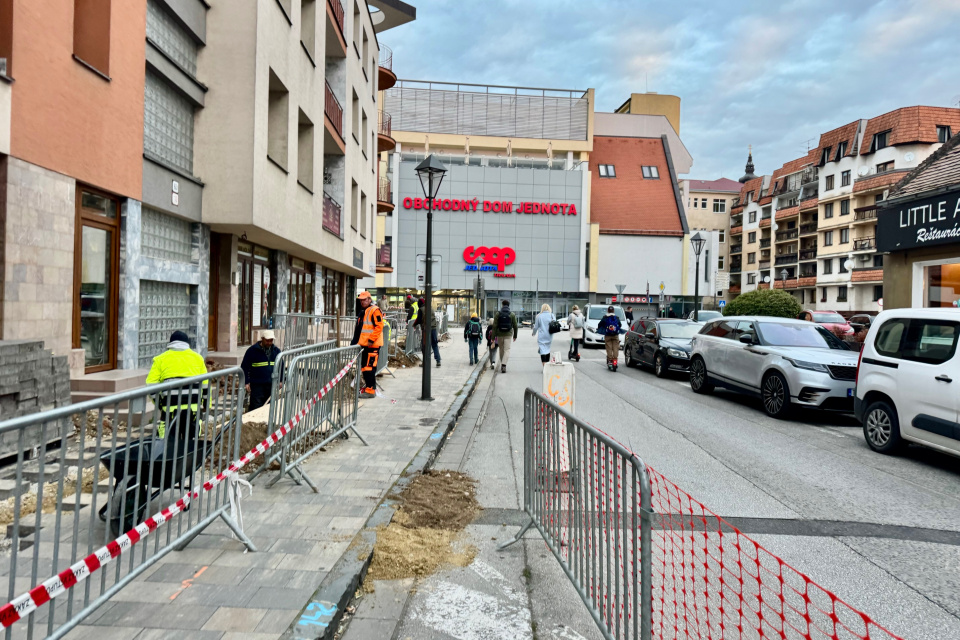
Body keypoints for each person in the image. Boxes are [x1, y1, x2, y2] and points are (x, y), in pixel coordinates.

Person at [146, 330, 208, 438]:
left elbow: (151, 385)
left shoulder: (160, 359)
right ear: (187, 343)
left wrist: (159, 403)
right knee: (191, 445)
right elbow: (205, 384)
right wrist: (206, 405)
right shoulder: (198, 359)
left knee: (168, 445)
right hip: (193, 410)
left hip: (170, 410)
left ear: (170, 344)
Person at [351, 290, 384, 399]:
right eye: (361, 300)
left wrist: (371, 339)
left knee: (369, 368)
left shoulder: (374, 310)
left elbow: (379, 326)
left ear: (369, 300)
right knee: (365, 367)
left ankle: (370, 390)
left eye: (364, 300)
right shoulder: (364, 311)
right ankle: (369, 388)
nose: (362, 302)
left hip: (372, 345)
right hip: (365, 345)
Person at [240, 330, 281, 411]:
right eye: (267, 340)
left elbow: (281, 366)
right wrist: (246, 382)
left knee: (269, 407)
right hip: (257, 385)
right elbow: (244, 366)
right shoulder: (252, 351)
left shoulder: (276, 351)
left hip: (271, 384)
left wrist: (281, 380)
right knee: (256, 407)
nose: (269, 343)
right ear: (262, 339)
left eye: (271, 341)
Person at [414, 296, 441, 367]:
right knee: (434, 344)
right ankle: (438, 361)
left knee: (424, 346)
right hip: (434, 328)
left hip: (426, 330)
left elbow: (418, 319)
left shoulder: (421, 310)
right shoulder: (431, 308)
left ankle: (425, 362)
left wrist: (413, 324)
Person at [493, 300, 518, 373]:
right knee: (507, 349)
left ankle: (502, 363)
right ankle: (504, 364)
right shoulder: (512, 314)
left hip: (499, 334)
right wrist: (515, 336)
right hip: (508, 334)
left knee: (501, 349)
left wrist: (492, 338)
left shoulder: (498, 314)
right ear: (508, 305)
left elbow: (494, 326)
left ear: (502, 305)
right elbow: (515, 326)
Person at [597, 306, 623, 371]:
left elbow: (600, 324)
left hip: (608, 335)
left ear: (608, 311)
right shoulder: (616, 318)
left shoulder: (605, 317)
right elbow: (620, 325)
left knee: (609, 347)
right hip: (615, 335)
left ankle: (610, 360)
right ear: (613, 311)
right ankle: (615, 360)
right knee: (615, 347)